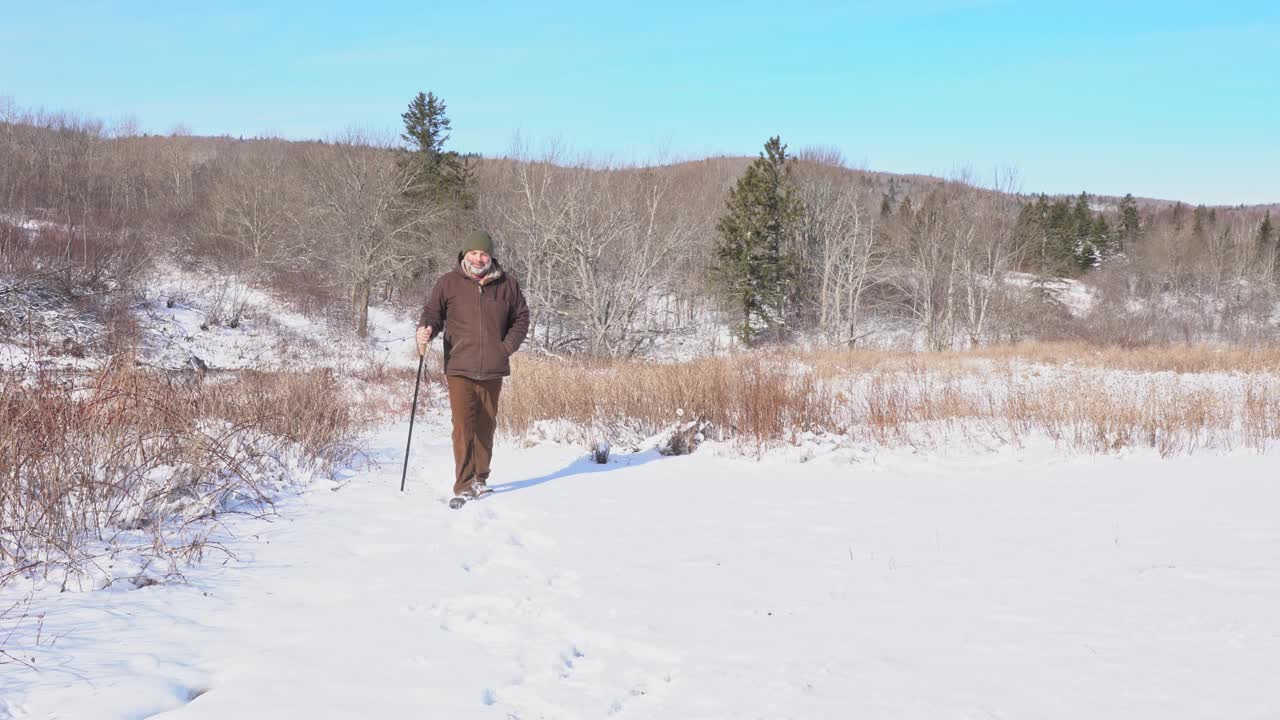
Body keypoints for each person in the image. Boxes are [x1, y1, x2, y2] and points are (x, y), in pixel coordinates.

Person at [417, 230, 530, 501]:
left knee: (486, 424)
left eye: (484, 253)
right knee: (463, 425)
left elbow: (521, 318)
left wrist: (505, 348)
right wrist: (427, 329)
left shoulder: (508, 286)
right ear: (465, 254)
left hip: (493, 367)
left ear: (491, 255)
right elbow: (433, 313)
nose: (479, 258)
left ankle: (480, 478)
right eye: (474, 253)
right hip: (459, 365)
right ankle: (464, 484)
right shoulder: (448, 283)